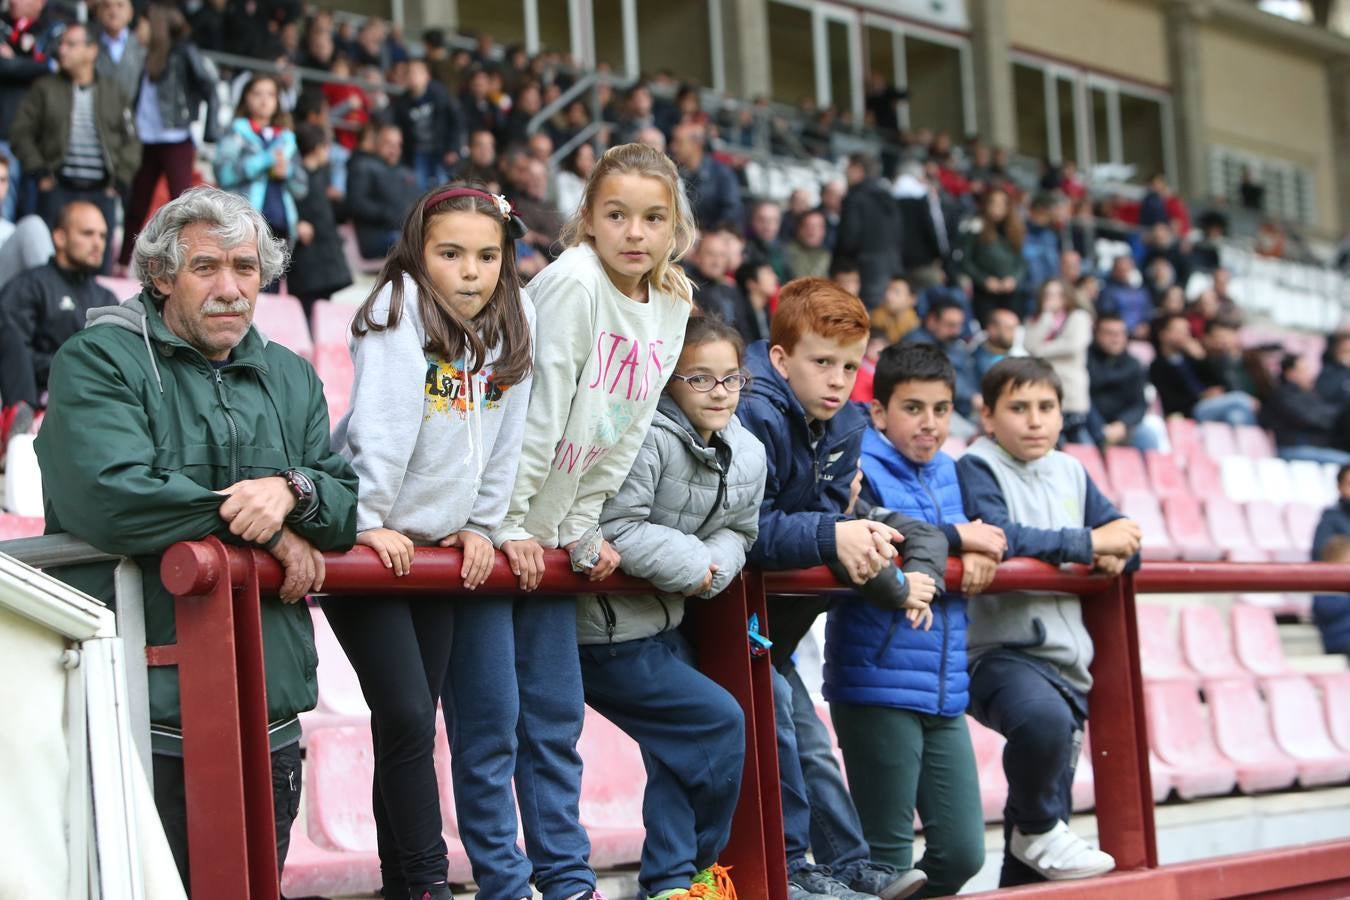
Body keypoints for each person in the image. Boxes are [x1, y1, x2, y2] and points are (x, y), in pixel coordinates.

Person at [33, 186, 359, 888]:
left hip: (267, 718)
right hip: (139, 722)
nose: (231, 288)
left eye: (246, 269)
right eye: (206, 268)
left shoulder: (291, 375)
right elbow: (110, 498)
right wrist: (266, 531)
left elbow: (340, 506)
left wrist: (291, 492)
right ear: (159, 276)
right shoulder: (99, 360)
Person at [438, 143, 694, 900]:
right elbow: (533, 414)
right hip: (492, 528)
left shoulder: (673, 302)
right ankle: (507, 885)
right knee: (492, 729)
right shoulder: (574, 285)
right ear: (588, 218)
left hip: (549, 542)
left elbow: (630, 426)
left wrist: (579, 525)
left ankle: (567, 878)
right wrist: (511, 523)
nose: (634, 232)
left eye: (653, 218)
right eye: (616, 214)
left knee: (552, 723)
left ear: (676, 225)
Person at [325, 185, 534, 900]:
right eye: (451, 255)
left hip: (436, 552)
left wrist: (482, 525)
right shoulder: (396, 311)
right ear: (420, 254)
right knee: (408, 714)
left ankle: (403, 882)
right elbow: (377, 430)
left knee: (414, 724)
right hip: (368, 544)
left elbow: (507, 441)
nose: (471, 272)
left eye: (486, 256)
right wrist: (364, 520)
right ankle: (423, 884)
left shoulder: (513, 319)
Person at [737, 276, 929, 900]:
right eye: (822, 362)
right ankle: (793, 868)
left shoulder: (844, 426)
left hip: (776, 630)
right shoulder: (754, 411)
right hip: (725, 619)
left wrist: (888, 572)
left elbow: (833, 527)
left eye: (850, 365)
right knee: (788, 736)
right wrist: (834, 532)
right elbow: (749, 528)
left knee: (810, 742)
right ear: (781, 358)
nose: (838, 379)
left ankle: (848, 865)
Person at [579, 315, 763, 900]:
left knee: (676, 751)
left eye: (731, 380)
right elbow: (614, 526)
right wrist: (696, 566)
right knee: (717, 720)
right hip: (605, 633)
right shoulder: (644, 437)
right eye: (701, 379)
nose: (720, 394)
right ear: (668, 382)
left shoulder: (748, 451)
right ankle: (699, 872)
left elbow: (743, 531)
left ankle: (669, 884)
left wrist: (712, 567)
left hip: (667, 622)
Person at [831, 342, 1008, 894]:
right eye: (913, 408)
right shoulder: (861, 464)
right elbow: (883, 540)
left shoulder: (954, 471)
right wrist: (962, 539)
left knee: (960, 853)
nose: (929, 424)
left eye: (940, 409)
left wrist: (972, 549)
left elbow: (989, 534)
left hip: (944, 682)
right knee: (886, 859)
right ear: (879, 412)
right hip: (877, 679)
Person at [957, 357, 1141, 887]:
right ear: (988, 416)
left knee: (1040, 843)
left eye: (1046, 408)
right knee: (1041, 729)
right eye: (1018, 408)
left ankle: (1029, 845)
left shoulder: (1072, 470)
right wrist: (1089, 545)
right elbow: (1001, 535)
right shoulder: (976, 466)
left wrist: (1116, 554)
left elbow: (1122, 535)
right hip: (999, 653)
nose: (1035, 420)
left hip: (1067, 663)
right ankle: (1034, 828)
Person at [10, 20, 140, 273]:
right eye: (61, 45)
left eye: (71, 44)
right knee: (46, 263)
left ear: (92, 51)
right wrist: (39, 171)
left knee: (98, 267)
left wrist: (120, 180)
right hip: (57, 188)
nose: (62, 51)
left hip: (101, 192)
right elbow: (20, 133)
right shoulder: (44, 88)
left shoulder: (113, 91)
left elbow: (132, 140)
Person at [0, 201, 113, 441]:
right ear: (60, 238)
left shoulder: (107, 299)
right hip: (38, 394)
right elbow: (13, 352)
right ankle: (19, 426)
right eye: (87, 233)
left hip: (92, 402)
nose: (98, 243)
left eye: (103, 236)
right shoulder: (29, 285)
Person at [119, 2, 219, 269]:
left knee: (181, 204)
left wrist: (208, 129)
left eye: (141, 24)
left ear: (155, 26)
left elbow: (208, 85)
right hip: (146, 139)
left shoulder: (183, 52)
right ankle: (122, 262)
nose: (137, 29)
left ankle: (185, 263)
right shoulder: (142, 54)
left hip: (176, 138)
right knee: (136, 204)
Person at [214, 74, 305, 250]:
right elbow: (223, 174)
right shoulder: (236, 131)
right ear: (246, 98)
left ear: (278, 100)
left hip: (281, 225)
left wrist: (287, 173)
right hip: (242, 225)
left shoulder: (287, 139)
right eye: (257, 93)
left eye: (271, 94)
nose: (264, 100)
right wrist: (265, 160)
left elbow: (301, 188)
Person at [286, 123, 351, 316]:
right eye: (326, 146)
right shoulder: (296, 178)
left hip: (324, 259)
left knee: (321, 309)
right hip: (307, 259)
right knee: (306, 309)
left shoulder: (322, 177)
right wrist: (296, 224)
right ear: (317, 148)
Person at [1149, 314, 1257, 426]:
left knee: (1236, 417)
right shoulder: (1158, 366)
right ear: (1163, 335)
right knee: (1239, 399)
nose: (1185, 335)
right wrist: (1201, 396)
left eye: (1187, 330)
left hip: (1213, 404)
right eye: (1179, 331)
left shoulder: (1191, 359)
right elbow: (1170, 400)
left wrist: (1201, 358)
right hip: (1192, 410)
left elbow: (1218, 381)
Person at [1023, 279, 1094, 445]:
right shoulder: (1035, 319)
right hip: (1043, 390)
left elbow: (1073, 345)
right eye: (1048, 294)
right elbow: (1028, 345)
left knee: (1076, 444)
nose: (1052, 298)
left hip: (1071, 392)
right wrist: (1046, 316)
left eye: (1057, 294)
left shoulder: (1079, 317)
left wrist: (1040, 350)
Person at [835, 153, 903, 309]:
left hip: (865, 272)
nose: (845, 173)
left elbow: (848, 239)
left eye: (848, 168)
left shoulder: (855, 198)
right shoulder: (888, 197)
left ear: (858, 170)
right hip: (893, 268)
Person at [902, 296, 979, 429]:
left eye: (959, 325)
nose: (956, 331)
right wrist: (971, 397)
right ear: (931, 321)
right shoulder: (915, 344)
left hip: (961, 409)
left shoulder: (954, 344)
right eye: (950, 325)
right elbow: (937, 378)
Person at [347, 123, 421, 260]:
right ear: (377, 144)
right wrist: (388, 214)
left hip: (401, 232)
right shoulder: (363, 166)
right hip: (377, 236)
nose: (394, 149)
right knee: (418, 244)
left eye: (398, 144)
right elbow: (357, 204)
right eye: (388, 144)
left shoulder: (404, 172)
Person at [1087, 314, 1162, 451]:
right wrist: (1100, 428)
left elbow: (1139, 404)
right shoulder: (1084, 360)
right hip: (1090, 425)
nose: (1116, 338)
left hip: (1123, 427)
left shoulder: (1134, 364)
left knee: (1148, 435)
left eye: (1120, 333)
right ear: (1096, 334)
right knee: (1083, 445)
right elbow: (1083, 401)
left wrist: (1122, 424)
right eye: (1109, 333)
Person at [1263, 354, 1350, 466]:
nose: (1309, 374)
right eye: (1303, 370)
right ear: (1290, 373)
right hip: (1294, 448)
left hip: (1317, 448)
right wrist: (1337, 419)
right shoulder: (1283, 395)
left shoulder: (1312, 395)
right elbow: (1311, 419)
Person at [393, 57, 460, 190]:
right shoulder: (402, 102)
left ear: (427, 76)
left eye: (417, 72)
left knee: (443, 186)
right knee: (419, 188)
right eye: (409, 73)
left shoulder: (440, 94)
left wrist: (453, 148)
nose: (413, 77)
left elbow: (456, 122)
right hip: (418, 151)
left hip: (440, 149)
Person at [962, 187, 1025, 325]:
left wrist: (1014, 278)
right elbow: (965, 261)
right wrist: (984, 280)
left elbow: (1021, 262)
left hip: (1009, 291)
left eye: (1003, 204)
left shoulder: (1014, 229)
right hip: (985, 291)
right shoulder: (975, 226)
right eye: (993, 203)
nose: (998, 208)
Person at [670, 122, 742, 230]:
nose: (673, 147)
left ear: (696, 144)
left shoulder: (722, 174)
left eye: (679, 142)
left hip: (711, 239)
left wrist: (708, 233)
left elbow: (732, 211)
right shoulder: (673, 174)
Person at [93, 0, 144, 101]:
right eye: (107, 6)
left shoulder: (143, 48)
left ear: (131, 13)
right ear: (99, 12)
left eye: (120, 5)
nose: (113, 12)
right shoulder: (89, 47)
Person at [1096, 256, 1152, 339]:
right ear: (1114, 270)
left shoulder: (1142, 291)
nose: (1124, 272)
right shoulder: (1108, 292)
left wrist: (1145, 326)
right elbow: (1108, 315)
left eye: (1127, 269)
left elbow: (1148, 312)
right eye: (1121, 269)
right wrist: (1129, 330)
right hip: (1119, 334)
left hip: (1144, 334)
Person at [746, 198, 791, 283]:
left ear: (779, 223)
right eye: (761, 219)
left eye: (773, 219)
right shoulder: (744, 250)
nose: (767, 224)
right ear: (752, 221)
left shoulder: (789, 250)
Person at [732, 258, 776, 344]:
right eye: (768, 275)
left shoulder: (765, 308)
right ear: (751, 284)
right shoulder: (739, 314)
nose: (775, 278)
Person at [870, 276, 918, 346]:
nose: (888, 295)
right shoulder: (875, 317)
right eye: (887, 290)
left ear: (912, 299)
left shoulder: (913, 328)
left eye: (896, 292)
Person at [974, 308, 1019, 382]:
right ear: (992, 330)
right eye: (1009, 328)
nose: (1014, 334)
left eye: (1014, 329)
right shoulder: (975, 360)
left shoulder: (1018, 355)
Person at [784, 208, 830, 280]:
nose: (812, 232)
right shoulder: (786, 253)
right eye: (808, 226)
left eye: (818, 227)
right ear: (799, 229)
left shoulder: (827, 256)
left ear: (823, 231)